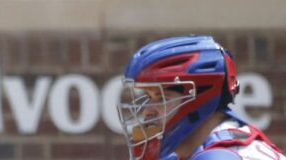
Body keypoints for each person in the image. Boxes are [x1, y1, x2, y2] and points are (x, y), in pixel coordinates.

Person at [118, 35, 285, 160]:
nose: (148, 111)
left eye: (162, 98)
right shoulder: (227, 141)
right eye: (149, 97)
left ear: (199, 99)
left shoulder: (219, 156)